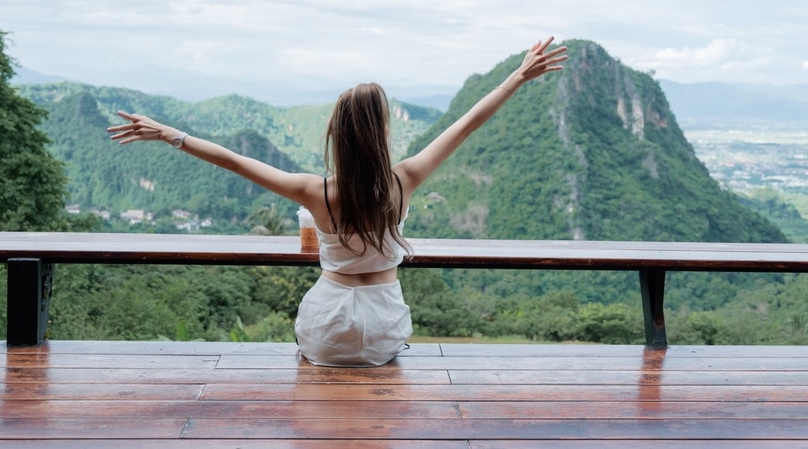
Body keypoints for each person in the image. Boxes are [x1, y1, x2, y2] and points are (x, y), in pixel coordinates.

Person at [107, 37, 568, 366]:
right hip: (386, 327)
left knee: (314, 369)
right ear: (381, 134)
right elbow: (466, 125)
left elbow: (235, 161)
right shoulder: (403, 179)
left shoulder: (317, 192)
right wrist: (517, 78)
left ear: (338, 136)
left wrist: (171, 134)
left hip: (327, 327)